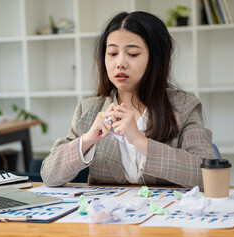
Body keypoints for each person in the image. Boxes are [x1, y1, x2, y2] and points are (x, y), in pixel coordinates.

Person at [40, 11, 215, 189]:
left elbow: (208, 176)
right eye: (112, 53)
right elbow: (49, 176)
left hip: (168, 214)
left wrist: (140, 140)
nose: (120, 63)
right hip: (109, 216)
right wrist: (87, 140)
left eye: (132, 54)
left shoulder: (183, 107)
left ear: (156, 59)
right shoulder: (88, 110)